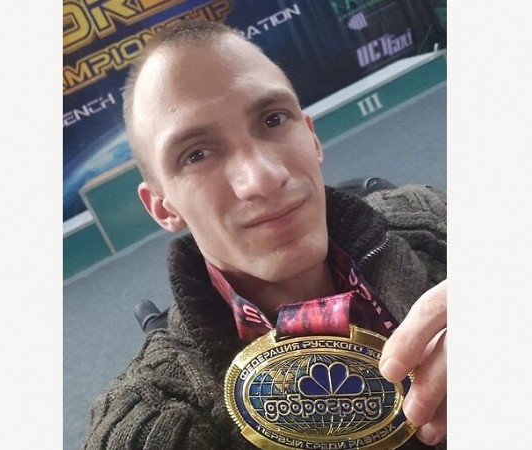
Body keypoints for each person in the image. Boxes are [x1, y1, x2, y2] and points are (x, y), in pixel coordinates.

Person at [83, 19, 447, 450]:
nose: (263, 178)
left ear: (311, 138)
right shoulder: (147, 421)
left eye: (273, 119)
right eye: (196, 155)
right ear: (163, 207)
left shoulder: (439, 222)